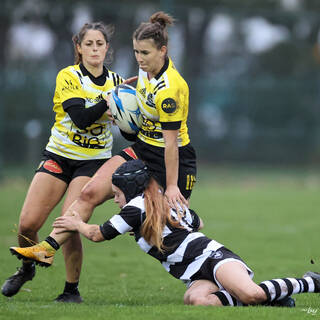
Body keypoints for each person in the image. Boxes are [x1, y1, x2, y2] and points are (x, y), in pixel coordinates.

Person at [6, 11, 197, 277]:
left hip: (171, 157)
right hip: (140, 148)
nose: (139, 59)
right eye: (136, 53)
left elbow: (171, 145)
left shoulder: (170, 89)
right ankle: (46, 249)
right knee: (88, 194)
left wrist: (173, 185)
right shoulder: (141, 74)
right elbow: (130, 127)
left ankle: (206, 268)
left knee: (171, 227)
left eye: (145, 53)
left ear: (163, 51)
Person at [10, 160, 320, 306]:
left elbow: (96, 234)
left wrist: (74, 223)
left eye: (116, 193)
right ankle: (273, 300)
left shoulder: (133, 208)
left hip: (215, 259)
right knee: (197, 301)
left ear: (129, 189)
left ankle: (309, 282)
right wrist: (179, 214)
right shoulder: (149, 205)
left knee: (250, 292)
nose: (114, 199)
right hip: (196, 275)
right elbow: (199, 222)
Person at [1, 21, 129, 303]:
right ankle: (27, 268)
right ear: (79, 47)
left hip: (93, 162)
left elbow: (130, 130)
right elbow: (82, 119)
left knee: (70, 221)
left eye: (99, 44)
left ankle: (71, 291)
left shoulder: (119, 82)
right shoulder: (69, 76)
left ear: (107, 48)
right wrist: (110, 102)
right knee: (27, 224)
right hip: (59, 155)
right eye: (89, 44)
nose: (94, 49)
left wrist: (130, 115)